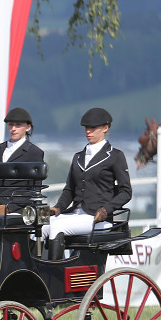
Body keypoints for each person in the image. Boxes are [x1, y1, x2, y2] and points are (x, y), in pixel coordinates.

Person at [43, 107, 132, 259]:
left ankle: (54, 274)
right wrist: (58, 208)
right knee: (43, 225)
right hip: (75, 213)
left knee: (57, 226)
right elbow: (69, 190)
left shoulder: (115, 156)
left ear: (105, 128)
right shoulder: (78, 157)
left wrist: (106, 210)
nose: (88, 131)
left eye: (93, 128)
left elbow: (126, 191)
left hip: (98, 218)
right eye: (86, 128)